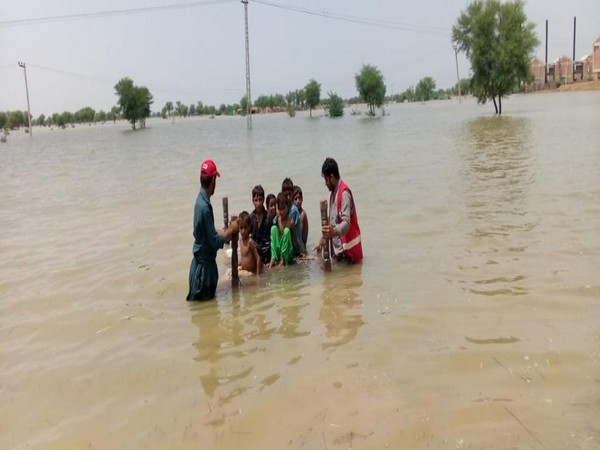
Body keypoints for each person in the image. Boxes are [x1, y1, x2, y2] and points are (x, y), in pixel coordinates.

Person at [186, 159, 238, 301]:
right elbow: (214, 242)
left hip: (197, 267)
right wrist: (231, 230)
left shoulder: (200, 201)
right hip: (204, 271)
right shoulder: (205, 208)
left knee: (202, 313)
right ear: (213, 180)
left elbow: (204, 233)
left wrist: (223, 231)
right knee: (205, 308)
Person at [317, 157, 363, 264]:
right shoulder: (333, 194)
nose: (325, 183)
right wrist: (321, 240)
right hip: (339, 253)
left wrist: (333, 231)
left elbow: (346, 223)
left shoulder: (344, 194)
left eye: (326, 179)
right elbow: (332, 221)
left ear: (332, 177)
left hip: (349, 255)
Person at [269, 192, 296, 267]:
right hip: (279, 250)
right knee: (273, 228)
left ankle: (283, 259)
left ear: (288, 207)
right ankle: (273, 258)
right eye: (280, 209)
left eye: (284, 208)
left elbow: (294, 239)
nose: (282, 211)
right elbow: (273, 239)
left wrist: (300, 252)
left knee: (286, 231)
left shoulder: (290, 221)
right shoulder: (277, 219)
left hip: (288, 252)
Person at [281, 177, 304, 256]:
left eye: (290, 195)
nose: (288, 197)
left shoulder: (293, 210)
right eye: (285, 195)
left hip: (294, 247)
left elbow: (288, 231)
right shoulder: (284, 208)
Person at [249, 185, 271, 264]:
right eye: (256, 200)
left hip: (268, 252)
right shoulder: (251, 218)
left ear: (263, 200)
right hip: (256, 253)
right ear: (252, 201)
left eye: (260, 200)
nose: (258, 203)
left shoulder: (268, 216)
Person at [238, 211, 261, 277]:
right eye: (241, 228)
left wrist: (257, 275)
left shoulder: (250, 241)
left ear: (249, 228)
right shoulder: (240, 239)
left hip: (251, 273)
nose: (243, 231)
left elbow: (258, 258)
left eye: (245, 227)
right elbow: (244, 256)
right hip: (244, 271)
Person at [292, 185, 309, 253]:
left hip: (301, 247)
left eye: (299, 198)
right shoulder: (292, 213)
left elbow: (298, 234)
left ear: (302, 199)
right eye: (295, 199)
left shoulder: (302, 214)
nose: (298, 201)